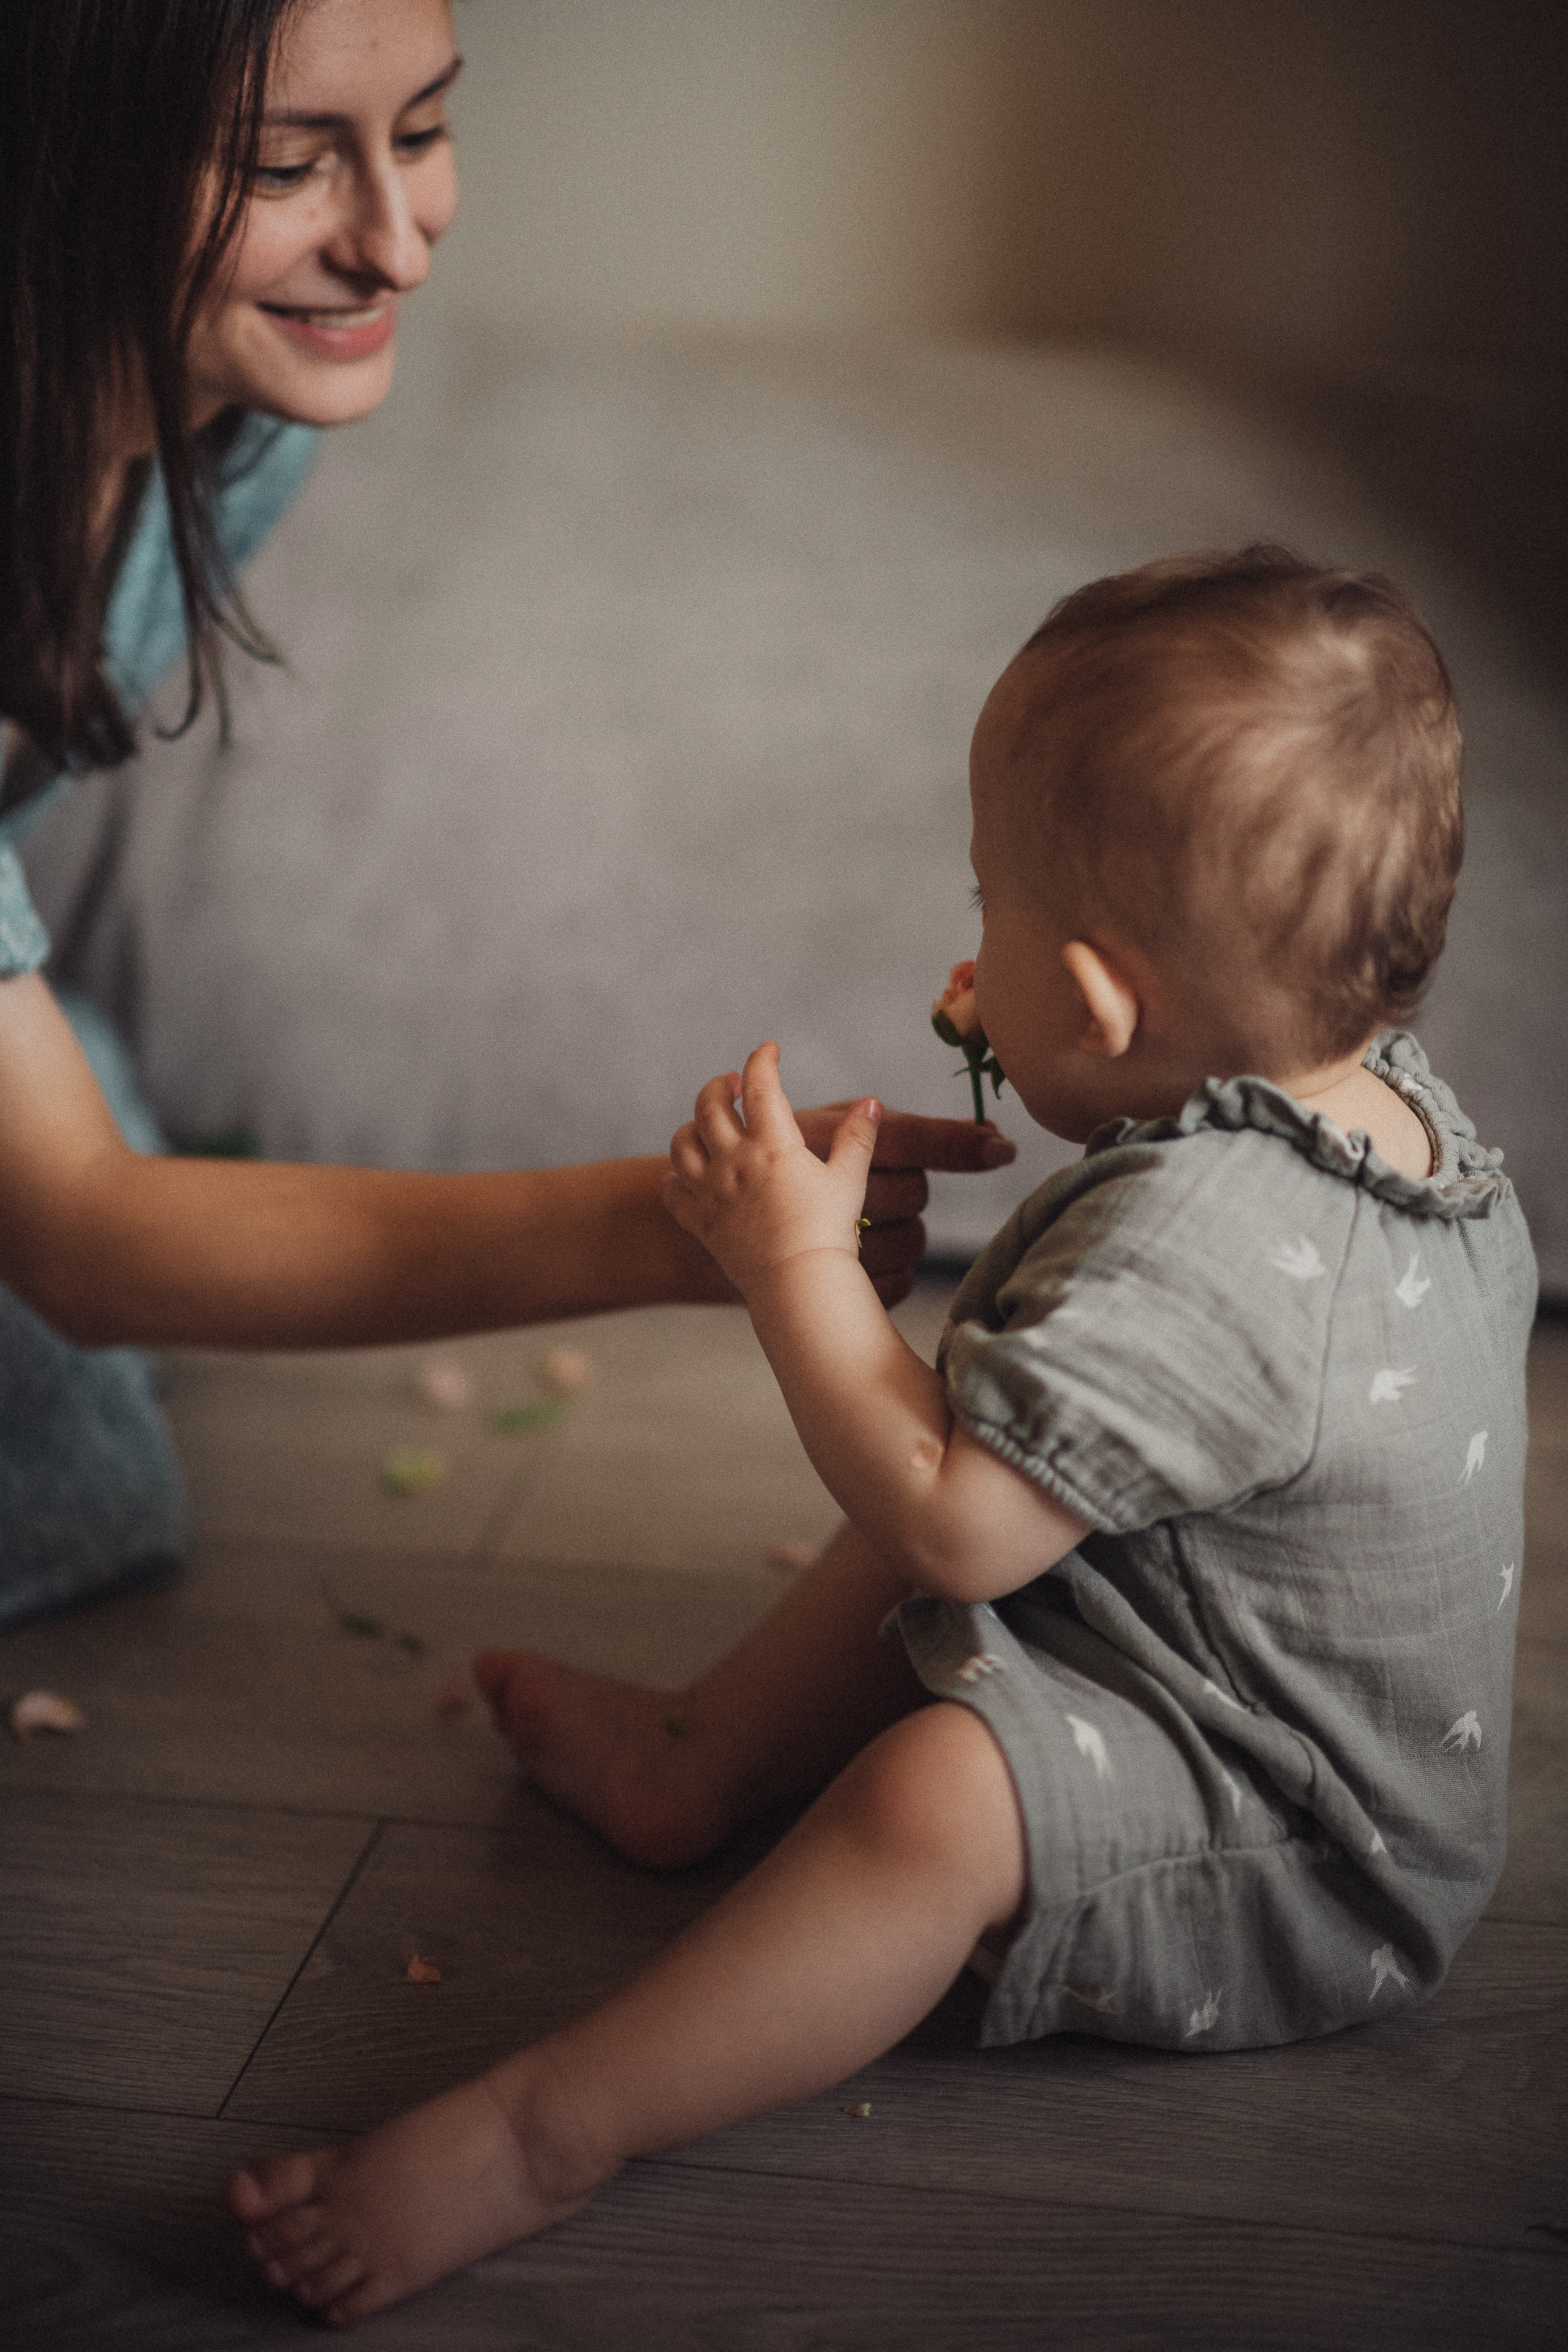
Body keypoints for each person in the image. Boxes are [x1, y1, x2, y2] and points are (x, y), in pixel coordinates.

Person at [230, 546, 1534, 2325]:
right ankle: (696, 1764)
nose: (960, 952)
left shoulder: (1215, 1244)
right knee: (988, 1451)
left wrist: (784, 1265)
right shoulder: (1380, 1110)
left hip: (1306, 1856)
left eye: (985, 899)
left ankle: (547, 2131)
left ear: (1093, 1001)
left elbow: (953, 1532)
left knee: (936, 1778)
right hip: (1245, 1677)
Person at [0, 0, 1010, 1627]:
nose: (395, 247)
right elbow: (81, 1237)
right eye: (283, 163)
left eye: (421, 132)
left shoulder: (235, 415)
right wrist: (679, 1226)